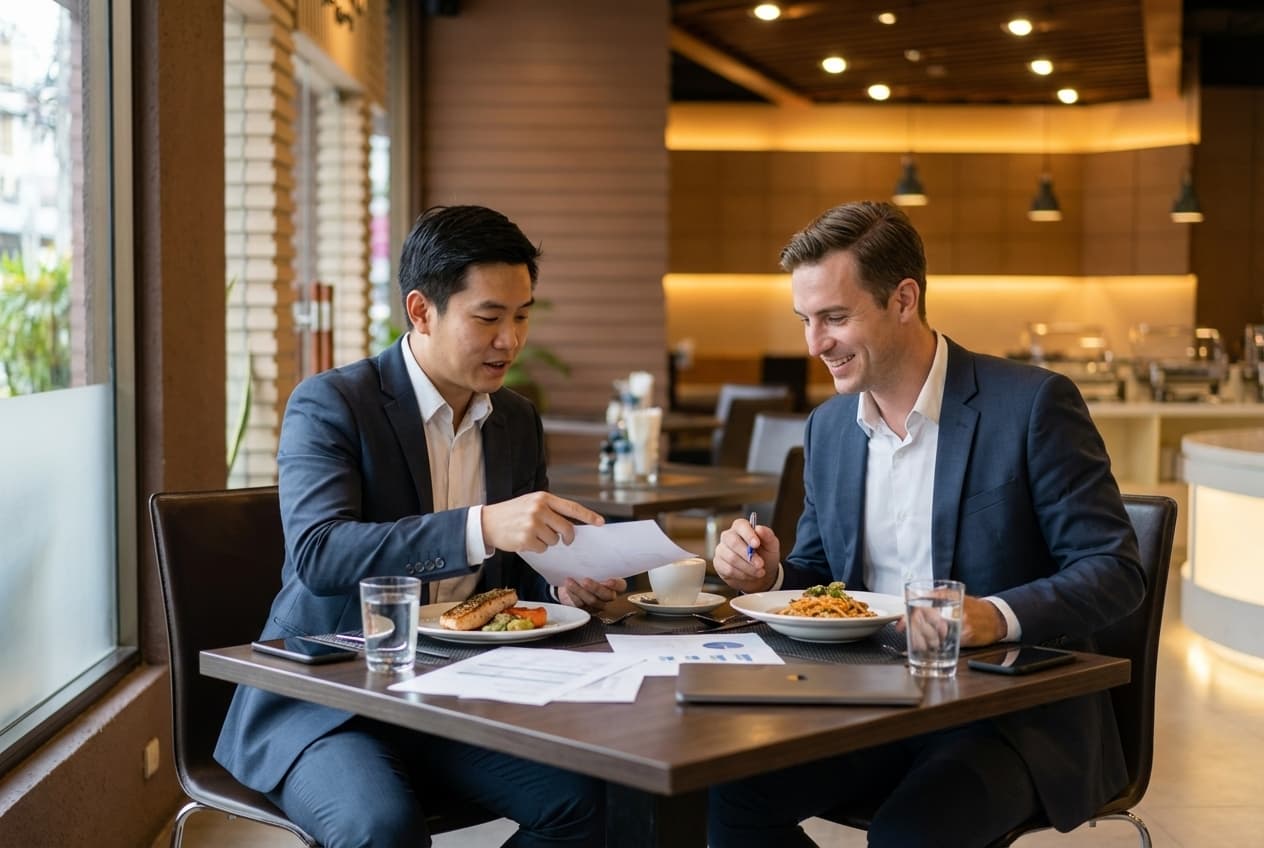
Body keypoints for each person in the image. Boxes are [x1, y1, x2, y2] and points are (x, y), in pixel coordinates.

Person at [709, 201, 1145, 848]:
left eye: (834, 318)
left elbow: (1114, 572)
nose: (813, 343)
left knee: (910, 835)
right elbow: (822, 577)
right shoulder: (830, 428)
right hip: (866, 706)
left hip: (1005, 718)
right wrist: (769, 572)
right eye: (805, 320)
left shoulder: (1030, 405)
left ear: (904, 299)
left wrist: (992, 616)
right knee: (722, 799)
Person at [215, 205, 625, 848]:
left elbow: (516, 577)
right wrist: (481, 525)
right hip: (333, 697)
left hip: (460, 691)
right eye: (488, 317)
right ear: (421, 310)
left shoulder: (515, 420)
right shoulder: (332, 404)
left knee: (597, 802)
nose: (510, 341)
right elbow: (320, 553)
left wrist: (566, 589)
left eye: (522, 317)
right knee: (381, 828)